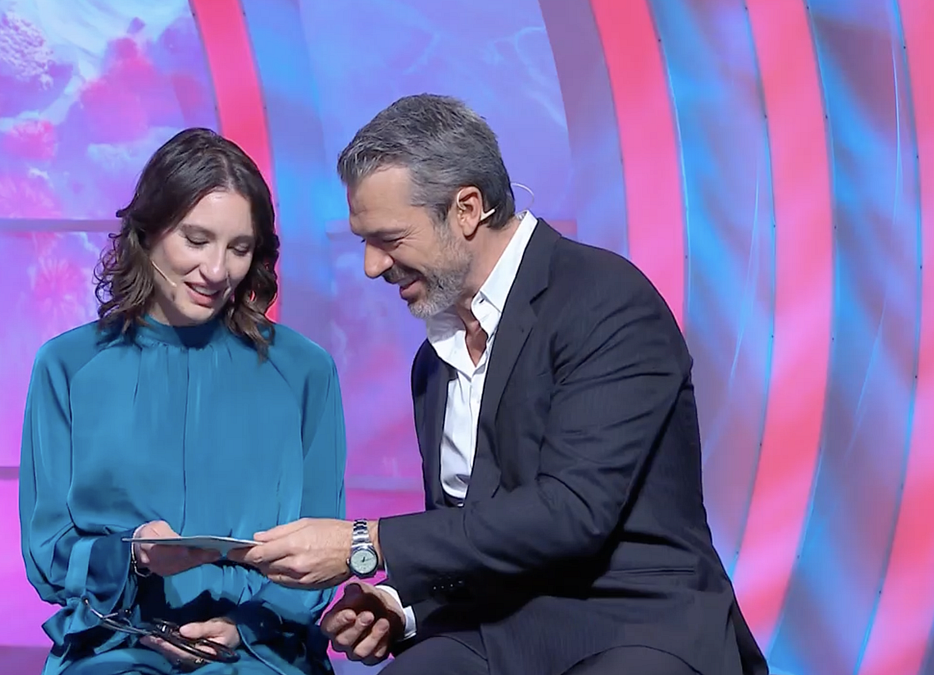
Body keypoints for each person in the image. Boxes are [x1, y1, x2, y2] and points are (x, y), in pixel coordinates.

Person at [231, 95, 770, 675]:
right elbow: (475, 535)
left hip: (631, 622)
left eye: (389, 238)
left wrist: (366, 542)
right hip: (497, 631)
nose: (371, 266)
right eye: (364, 240)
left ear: (466, 209)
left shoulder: (606, 300)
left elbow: (571, 513)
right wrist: (401, 606)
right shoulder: (433, 359)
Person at [18, 128, 347, 675]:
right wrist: (133, 554)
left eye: (238, 248)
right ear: (148, 232)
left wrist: (243, 627)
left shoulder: (304, 371)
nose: (217, 271)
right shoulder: (67, 366)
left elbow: (322, 550)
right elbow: (48, 550)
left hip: (259, 649)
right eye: (196, 240)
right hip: (116, 643)